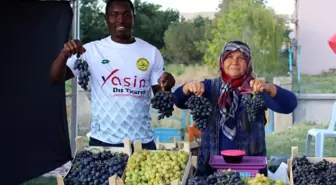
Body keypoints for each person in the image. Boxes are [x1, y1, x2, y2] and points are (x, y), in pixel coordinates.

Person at [49, 0, 175, 150]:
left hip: (142, 144)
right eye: (114, 15)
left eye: (126, 14)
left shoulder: (151, 52)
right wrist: (64, 54)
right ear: (106, 19)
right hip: (102, 142)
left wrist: (167, 88)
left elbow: (162, 102)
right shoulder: (91, 51)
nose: (121, 20)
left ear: (133, 17)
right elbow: (54, 79)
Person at [173, 40, 297, 175]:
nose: (234, 62)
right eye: (229, 57)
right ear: (222, 61)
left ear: (248, 63)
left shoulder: (257, 88)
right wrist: (187, 88)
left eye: (241, 58)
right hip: (211, 169)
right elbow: (178, 100)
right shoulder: (209, 87)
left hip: (250, 171)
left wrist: (270, 88)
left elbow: (290, 105)